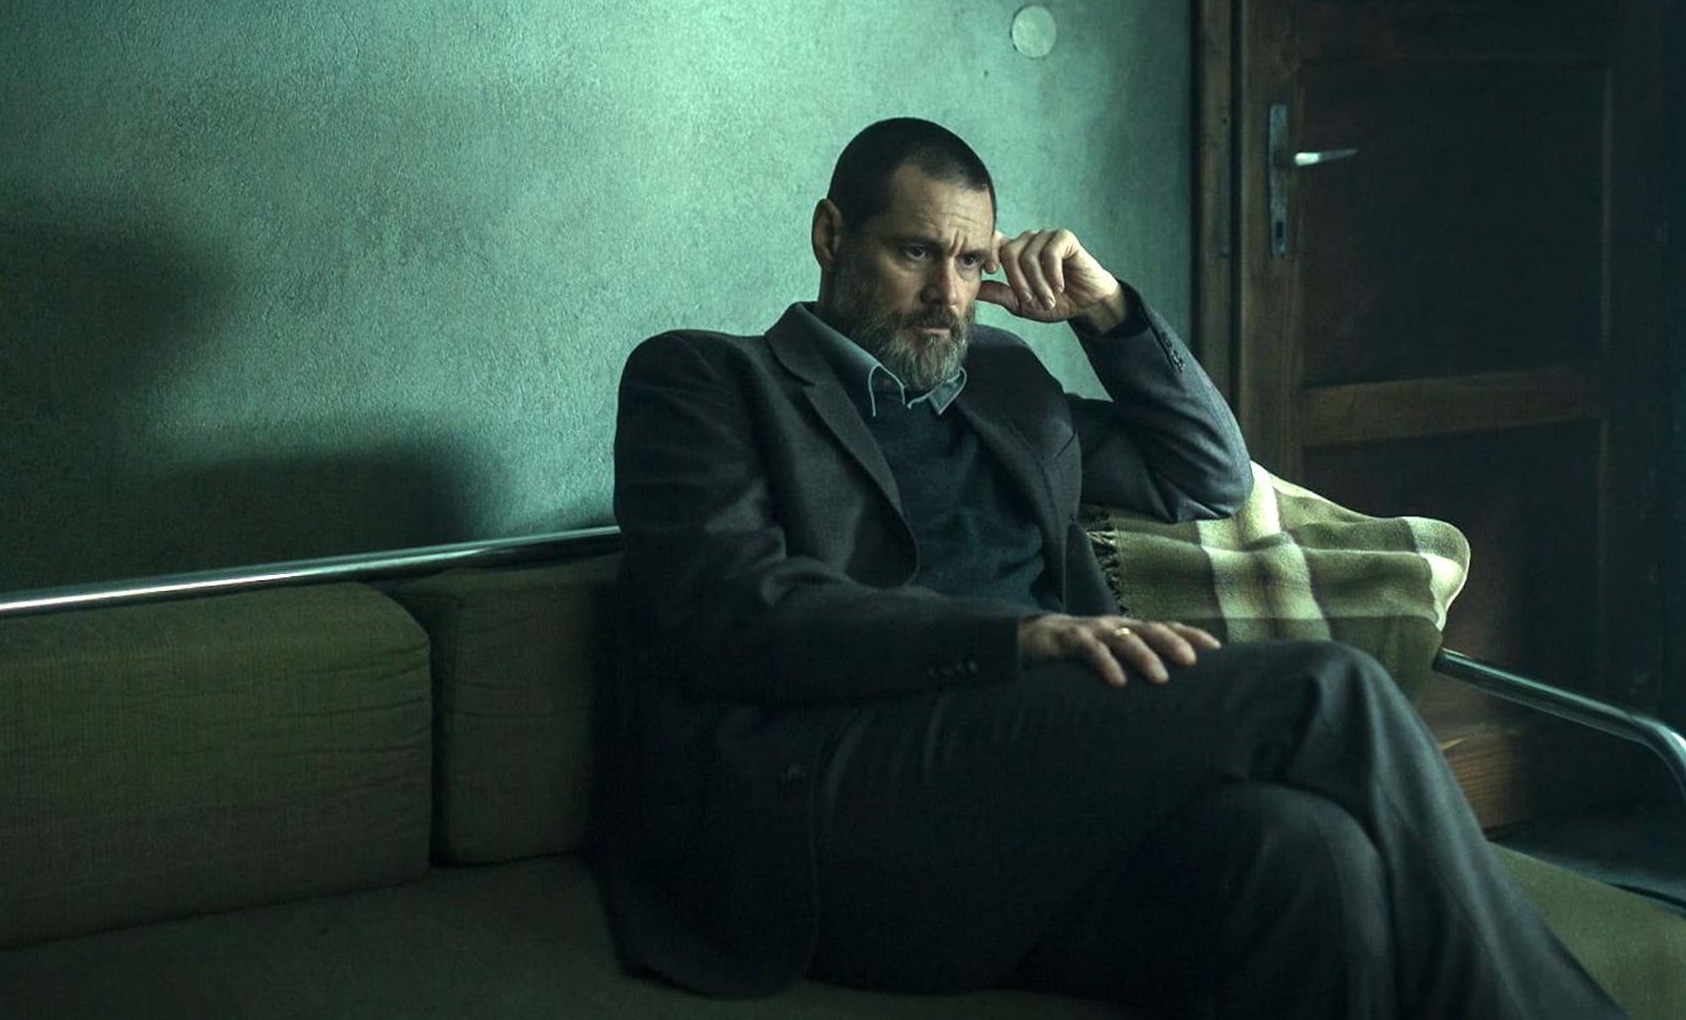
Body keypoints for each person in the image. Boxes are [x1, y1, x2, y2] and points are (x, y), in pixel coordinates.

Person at [593, 117, 1622, 1018]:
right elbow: (736, 610)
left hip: (1033, 800)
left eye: (971, 263)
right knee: (1328, 691)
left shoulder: (1000, 383)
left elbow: (1206, 476)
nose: (948, 295)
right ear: (831, 236)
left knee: (1312, 856)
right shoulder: (706, 379)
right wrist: (1019, 635)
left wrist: (1110, 313)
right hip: (846, 787)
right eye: (915, 253)